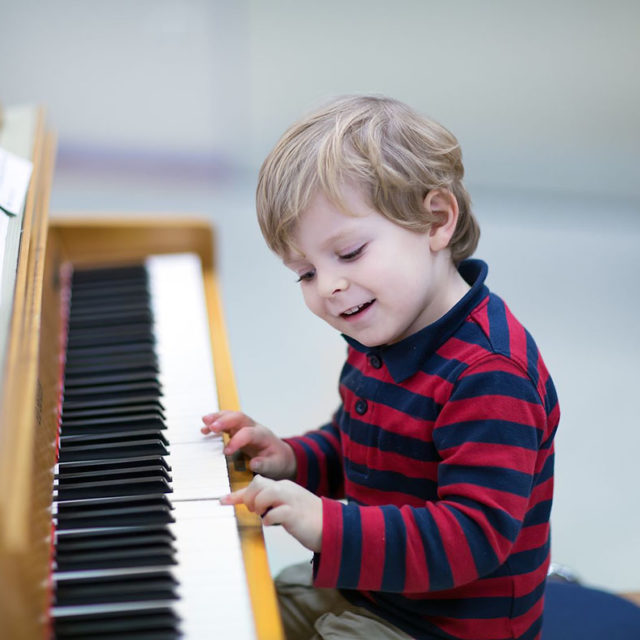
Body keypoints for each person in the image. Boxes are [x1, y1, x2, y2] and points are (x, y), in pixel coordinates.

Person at [201, 95, 559, 640]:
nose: (329, 288)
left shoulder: (489, 375)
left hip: (452, 625)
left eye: (349, 254)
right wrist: (292, 457)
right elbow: (363, 447)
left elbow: (473, 536)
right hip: (382, 590)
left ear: (435, 220)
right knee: (246, 612)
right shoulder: (384, 331)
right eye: (304, 273)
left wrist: (326, 523)